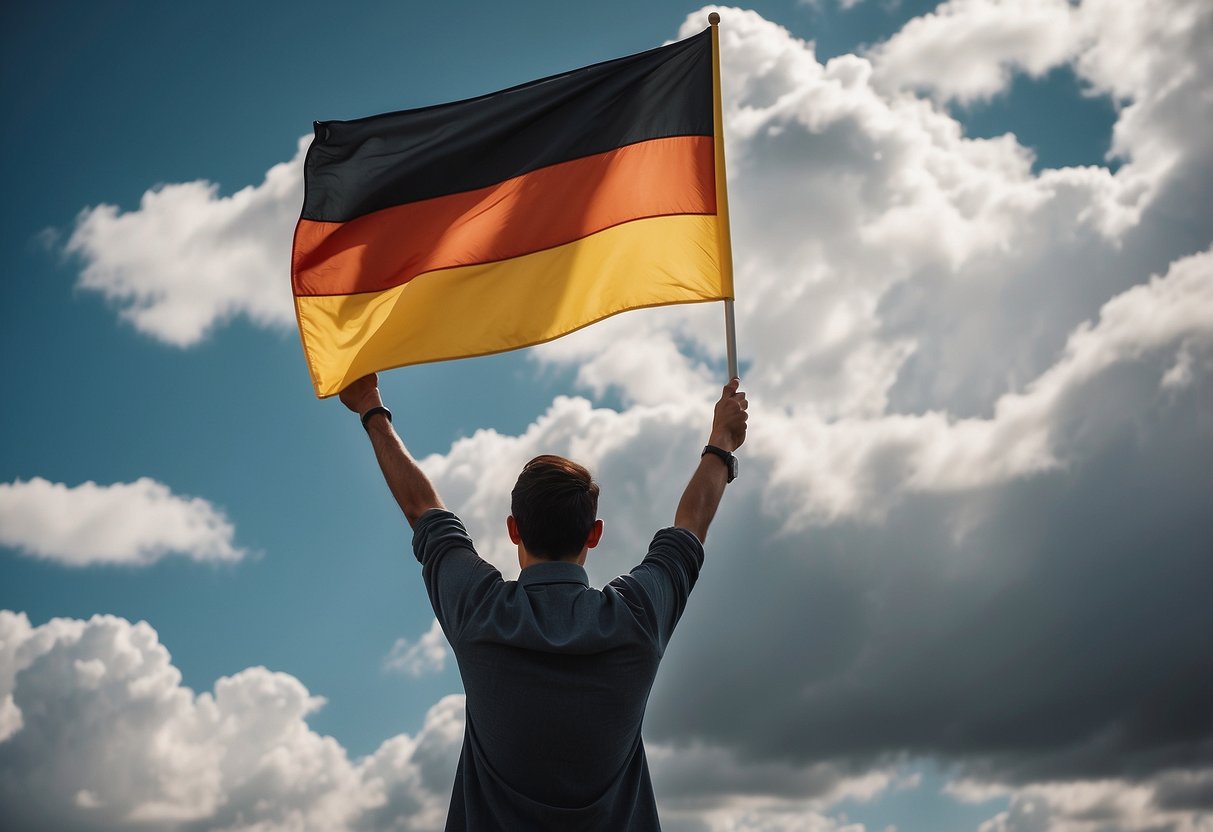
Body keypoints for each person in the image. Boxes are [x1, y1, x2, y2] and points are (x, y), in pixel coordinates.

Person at [339, 374, 748, 831]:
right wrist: (721, 441)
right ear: (594, 534)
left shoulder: (480, 612)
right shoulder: (637, 617)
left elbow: (422, 508)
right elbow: (690, 524)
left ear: (514, 529)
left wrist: (371, 407)